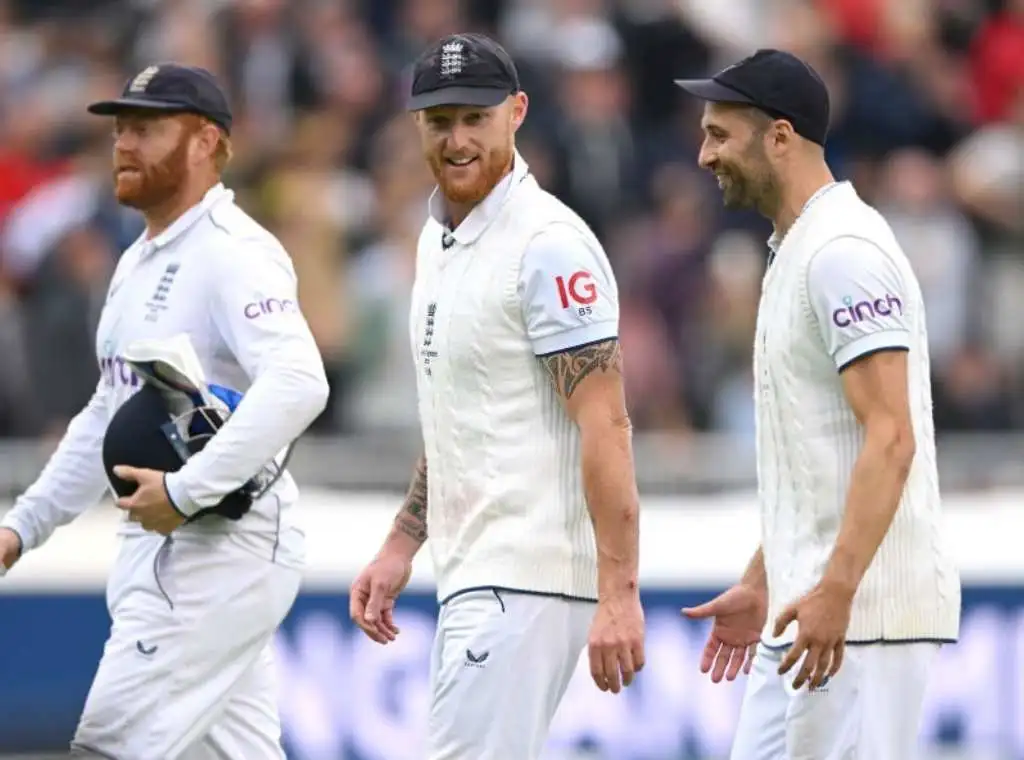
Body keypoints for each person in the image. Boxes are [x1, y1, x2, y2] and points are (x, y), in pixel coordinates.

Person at [0, 63, 330, 759]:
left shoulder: (234, 253)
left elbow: (301, 381)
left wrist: (184, 492)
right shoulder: (136, 262)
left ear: (207, 140)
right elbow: (104, 411)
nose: (123, 144)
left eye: (147, 129)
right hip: (172, 543)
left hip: (218, 548)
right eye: (120, 128)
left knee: (108, 749)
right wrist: (23, 527)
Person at [348, 33, 646, 759]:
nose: (456, 140)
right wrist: (402, 541)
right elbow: (462, 412)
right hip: (480, 572)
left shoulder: (548, 244)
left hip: (525, 578)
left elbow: (606, 424)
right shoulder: (438, 240)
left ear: (517, 112)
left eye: (475, 118)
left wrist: (621, 590)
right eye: (439, 120)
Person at [674, 49, 962, 759]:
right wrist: (762, 578)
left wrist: (837, 590)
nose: (703, 155)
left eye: (719, 134)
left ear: (778, 136)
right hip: (808, 611)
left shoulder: (843, 252)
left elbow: (891, 437)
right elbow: (822, 466)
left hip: (859, 619)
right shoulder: (799, 250)